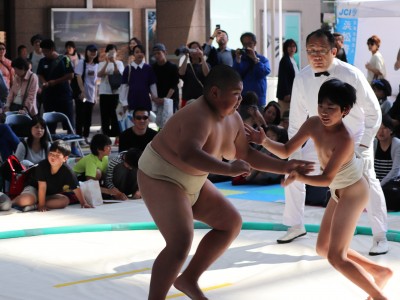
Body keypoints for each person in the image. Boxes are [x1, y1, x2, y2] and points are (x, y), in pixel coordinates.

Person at [137, 65, 314, 299]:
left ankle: (188, 279)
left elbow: (247, 154)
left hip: (194, 181)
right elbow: (189, 153)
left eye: (241, 94)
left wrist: (284, 166)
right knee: (180, 242)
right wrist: (228, 168)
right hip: (161, 176)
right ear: (214, 93)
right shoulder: (196, 114)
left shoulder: (234, 119)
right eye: (235, 94)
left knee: (230, 223)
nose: (240, 100)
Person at [245, 78, 392, 300]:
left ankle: (379, 297)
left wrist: (298, 176)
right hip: (338, 189)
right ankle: (379, 271)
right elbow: (286, 150)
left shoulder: (344, 140)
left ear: (345, 111)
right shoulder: (313, 123)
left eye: (331, 108)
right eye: (321, 105)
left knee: (336, 257)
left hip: (354, 191)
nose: (324, 112)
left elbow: (326, 178)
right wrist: (264, 141)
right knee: (323, 248)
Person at [280, 29, 389, 256]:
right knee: (293, 165)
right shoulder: (302, 77)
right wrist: (294, 149)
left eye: (320, 50)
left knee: (368, 177)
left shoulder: (352, 74)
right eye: (311, 51)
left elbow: (374, 112)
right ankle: (295, 225)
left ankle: (380, 235)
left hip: (355, 137)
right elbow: (297, 119)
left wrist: (363, 146)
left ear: (333, 50)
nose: (315, 55)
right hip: (319, 135)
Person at [12, 140, 93, 212]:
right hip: (34, 189)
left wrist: (84, 203)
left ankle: (34, 206)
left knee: (64, 201)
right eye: (51, 154)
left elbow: (76, 188)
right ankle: (12, 202)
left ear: (65, 158)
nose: (53, 157)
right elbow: (42, 187)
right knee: (26, 200)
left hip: (49, 194)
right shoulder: (42, 165)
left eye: (57, 155)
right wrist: (42, 205)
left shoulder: (67, 171)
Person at [37, 39, 75, 128]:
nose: (44, 53)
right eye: (43, 51)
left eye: (46, 51)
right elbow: (40, 74)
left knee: (68, 121)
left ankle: (72, 140)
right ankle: (50, 140)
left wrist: (55, 81)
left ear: (52, 49)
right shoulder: (42, 61)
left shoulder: (65, 59)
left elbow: (71, 75)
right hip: (49, 96)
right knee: (50, 123)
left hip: (64, 95)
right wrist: (44, 82)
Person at [233, 32, 270, 110]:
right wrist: (238, 60)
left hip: (258, 99)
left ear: (255, 43)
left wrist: (255, 59)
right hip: (243, 99)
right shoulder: (240, 59)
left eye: (250, 44)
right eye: (244, 44)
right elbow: (235, 76)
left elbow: (264, 72)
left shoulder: (262, 59)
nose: (247, 47)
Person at [119, 44, 158, 113]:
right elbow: (124, 86)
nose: (139, 54)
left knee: (144, 122)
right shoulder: (128, 68)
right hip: (131, 102)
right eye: (137, 52)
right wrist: (124, 103)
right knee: (132, 123)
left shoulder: (148, 68)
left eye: (141, 52)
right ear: (133, 54)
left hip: (145, 102)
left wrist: (154, 104)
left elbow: (153, 86)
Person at [97, 44, 124, 138]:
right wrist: (107, 63)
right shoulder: (101, 63)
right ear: (106, 53)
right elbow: (100, 74)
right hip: (104, 92)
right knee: (105, 115)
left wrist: (114, 62)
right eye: (110, 52)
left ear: (116, 53)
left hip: (115, 93)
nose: (112, 54)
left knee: (115, 115)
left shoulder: (119, 63)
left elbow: (118, 73)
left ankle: (115, 134)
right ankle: (105, 135)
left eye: (113, 52)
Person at [75, 44, 99, 144]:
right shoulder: (82, 62)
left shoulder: (97, 65)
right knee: (80, 116)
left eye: (95, 51)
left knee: (88, 118)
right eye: (91, 51)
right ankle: (78, 137)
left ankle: (85, 136)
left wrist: (96, 95)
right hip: (82, 95)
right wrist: (82, 91)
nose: (93, 53)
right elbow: (78, 76)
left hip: (91, 95)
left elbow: (97, 81)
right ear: (87, 52)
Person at [178, 41, 210, 107]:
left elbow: (207, 74)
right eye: (191, 49)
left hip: (202, 99)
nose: (194, 51)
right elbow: (181, 73)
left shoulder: (206, 65)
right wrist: (186, 56)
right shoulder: (187, 65)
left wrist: (202, 57)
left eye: (196, 49)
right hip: (187, 98)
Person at [151, 43, 179, 113]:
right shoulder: (152, 68)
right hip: (157, 100)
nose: (156, 56)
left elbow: (174, 85)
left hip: (171, 100)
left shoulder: (173, 67)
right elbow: (149, 84)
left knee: (170, 122)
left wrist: (165, 99)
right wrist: (154, 99)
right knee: (157, 122)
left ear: (165, 52)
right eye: (155, 54)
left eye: (158, 53)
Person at [374, 115, 400, 184]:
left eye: (384, 128)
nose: (381, 131)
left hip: (391, 184)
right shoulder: (373, 143)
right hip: (374, 184)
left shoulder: (397, 144)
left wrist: (379, 186)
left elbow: (395, 171)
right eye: (378, 127)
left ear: (391, 130)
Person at [276, 39, 299, 116]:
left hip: (293, 93)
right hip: (286, 95)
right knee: (285, 115)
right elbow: (283, 78)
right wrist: (286, 93)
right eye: (289, 46)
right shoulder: (284, 60)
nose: (292, 48)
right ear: (285, 48)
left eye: (293, 46)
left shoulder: (293, 60)